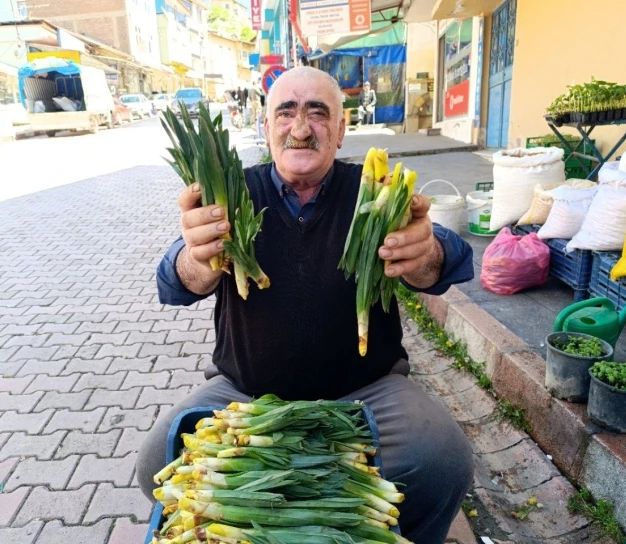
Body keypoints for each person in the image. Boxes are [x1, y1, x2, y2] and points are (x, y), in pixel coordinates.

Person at [138, 66, 474, 544]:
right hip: (244, 393)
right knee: (157, 460)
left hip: (368, 390)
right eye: (286, 112)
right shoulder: (233, 194)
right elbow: (174, 282)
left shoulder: (373, 192)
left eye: (318, 113)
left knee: (442, 460)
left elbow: (451, 261)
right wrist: (199, 258)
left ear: (341, 130)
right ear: (267, 125)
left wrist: (424, 253)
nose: (300, 128)